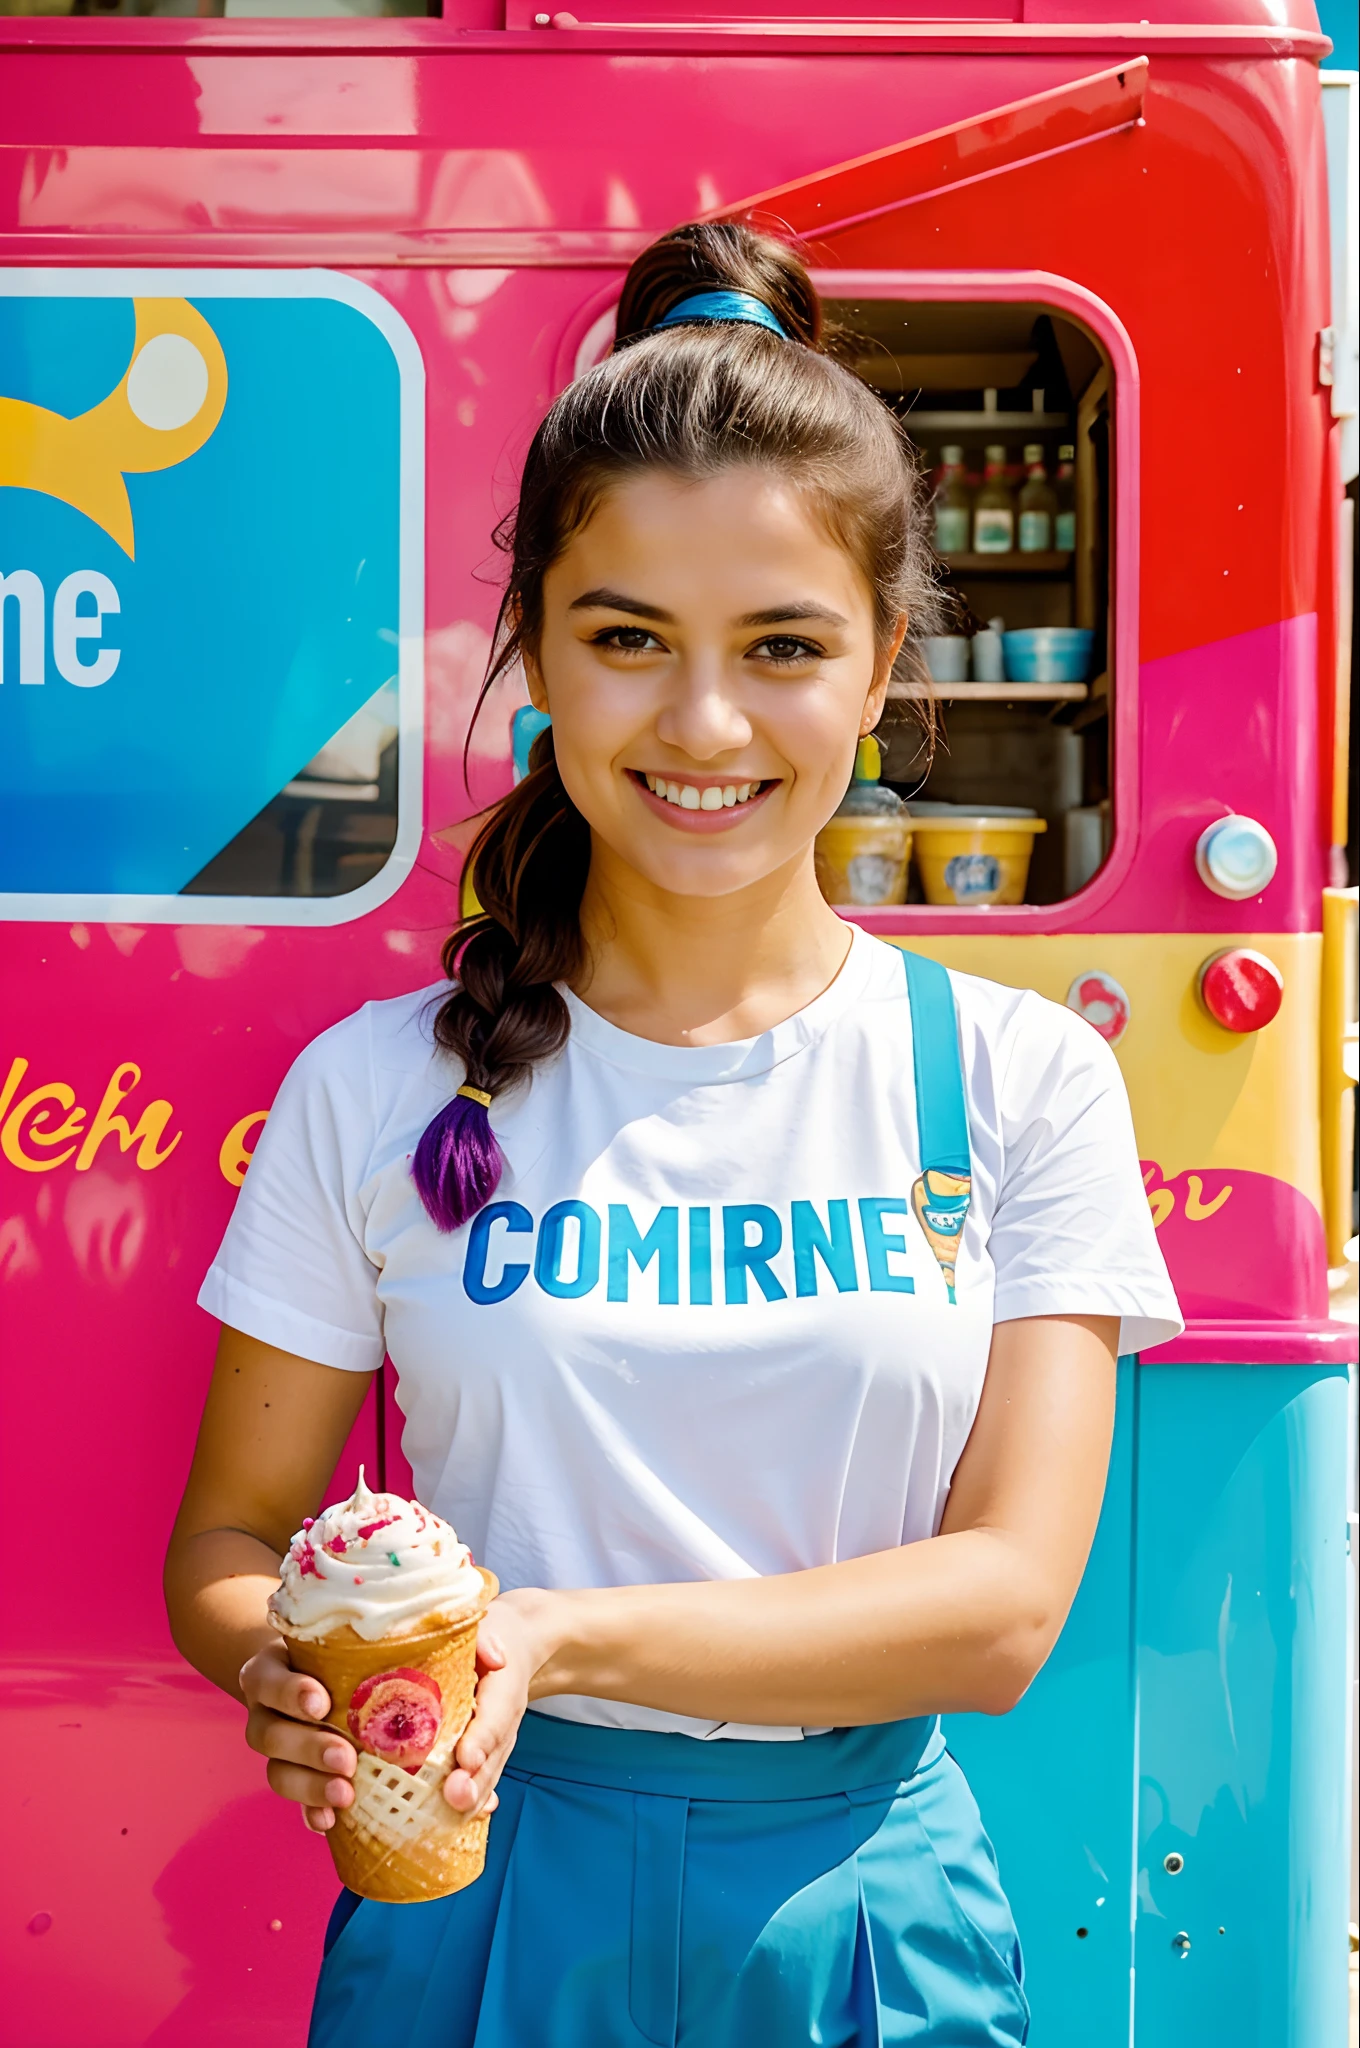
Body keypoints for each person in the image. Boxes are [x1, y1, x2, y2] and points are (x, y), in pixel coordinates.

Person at [165, 221, 1181, 2048]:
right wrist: (298, 1672)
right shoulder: (374, 1087)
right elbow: (229, 1537)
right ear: (534, 652)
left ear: (881, 671)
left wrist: (550, 1637)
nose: (703, 722)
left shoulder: (1022, 1079)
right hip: (477, 1893)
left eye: (783, 645)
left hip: (866, 1908)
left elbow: (1006, 1608)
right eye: (627, 639)